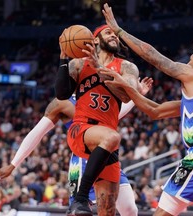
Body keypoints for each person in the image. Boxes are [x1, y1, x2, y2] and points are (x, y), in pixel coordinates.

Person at [101, 3, 193, 216]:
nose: (186, 60)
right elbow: (155, 111)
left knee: (164, 212)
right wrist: (127, 86)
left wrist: (119, 30)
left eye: (191, 58)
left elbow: (154, 57)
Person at [0, 78, 152, 215]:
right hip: (82, 160)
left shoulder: (100, 94)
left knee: (131, 210)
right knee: (80, 211)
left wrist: (136, 96)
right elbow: (37, 133)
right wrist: (14, 163)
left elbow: (115, 115)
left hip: (108, 158)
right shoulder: (63, 103)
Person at [55, 24, 141, 215]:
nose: (114, 36)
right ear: (94, 40)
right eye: (108, 33)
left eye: (115, 34)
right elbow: (61, 94)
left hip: (107, 139)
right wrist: (63, 57)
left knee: (108, 209)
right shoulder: (78, 64)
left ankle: (81, 201)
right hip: (82, 128)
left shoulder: (127, 67)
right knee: (112, 137)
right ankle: (80, 198)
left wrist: (100, 68)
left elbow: (128, 95)